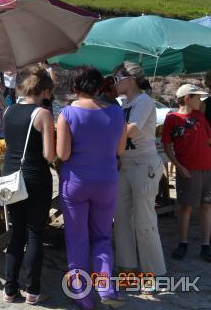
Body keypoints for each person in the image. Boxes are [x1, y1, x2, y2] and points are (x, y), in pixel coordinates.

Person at [56, 67, 127, 309]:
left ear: (74, 88)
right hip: (107, 181)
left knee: (77, 239)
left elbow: (63, 154)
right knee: (103, 237)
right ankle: (107, 287)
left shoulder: (67, 114)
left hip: (76, 182)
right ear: (99, 88)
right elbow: (119, 151)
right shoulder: (117, 114)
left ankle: (83, 297)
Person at [1, 67, 55, 305]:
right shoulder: (42, 114)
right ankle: (32, 291)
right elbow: (50, 155)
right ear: (45, 91)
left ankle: (10, 289)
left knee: (16, 233)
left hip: (10, 177)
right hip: (34, 178)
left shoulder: (9, 111)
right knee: (34, 234)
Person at [112, 62, 167, 291]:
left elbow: (131, 130)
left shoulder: (144, 101)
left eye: (117, 79)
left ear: (130, 79)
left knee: (145, 221)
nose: (114, 83)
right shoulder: (123, 103)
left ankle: (154, 274)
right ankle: (127, 269)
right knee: (122, 218)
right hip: (125, 165)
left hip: (143, 165)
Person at [162, 84, 211, 261]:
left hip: (207, 168)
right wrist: (178, 166)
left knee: (206, 206)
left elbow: (208, 138)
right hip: (187, 170)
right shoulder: (172, 118)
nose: (200, 100)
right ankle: (182, 243)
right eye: (197, 97)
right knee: (185, 207)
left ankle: (206, 245)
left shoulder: (200, 116)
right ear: (186, 98)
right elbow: (167, 146)